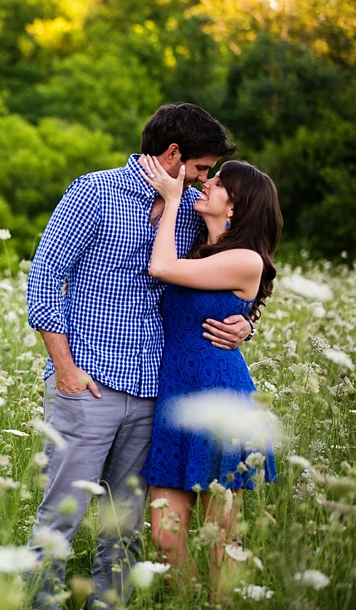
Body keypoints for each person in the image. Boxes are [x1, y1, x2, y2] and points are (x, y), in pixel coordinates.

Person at [25, 103, 251, 610]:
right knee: (61, 515)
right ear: (172, 154)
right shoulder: (94, 192)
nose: (205, 179)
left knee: (124, 527)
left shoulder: (190, 209)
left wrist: (245, 322)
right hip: (89, 383)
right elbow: (43, 281)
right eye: (201, 167)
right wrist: (65, 368)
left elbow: (231, 271)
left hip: (154, 391)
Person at [137, 155, 281, 600]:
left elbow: (161, 268)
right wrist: (247, 325)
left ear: (234, 206)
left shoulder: (247, 259)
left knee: (221, 537)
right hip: (175, 397)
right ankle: (189, 601)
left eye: (218, 182)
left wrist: (172, 200)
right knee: (164, 537)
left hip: (220, 397)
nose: (207, 183)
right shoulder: (198, 247)